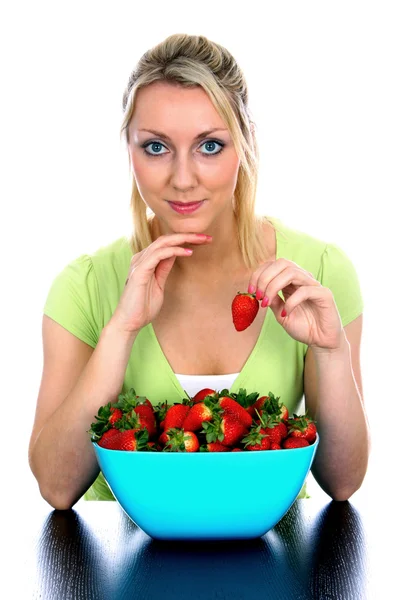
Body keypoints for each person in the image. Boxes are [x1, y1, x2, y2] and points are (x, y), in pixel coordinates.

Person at [28, 33, 370, 508]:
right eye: (155, 147)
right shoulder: (83, 287)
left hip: (275, 560)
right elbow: (57, 488)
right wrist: (122, 330)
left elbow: (343, 481)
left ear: (245, 145)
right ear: (129, 149)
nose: (183, 178)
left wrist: (331, 352)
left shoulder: (320, 274)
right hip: (123, 560)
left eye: (209, 146)